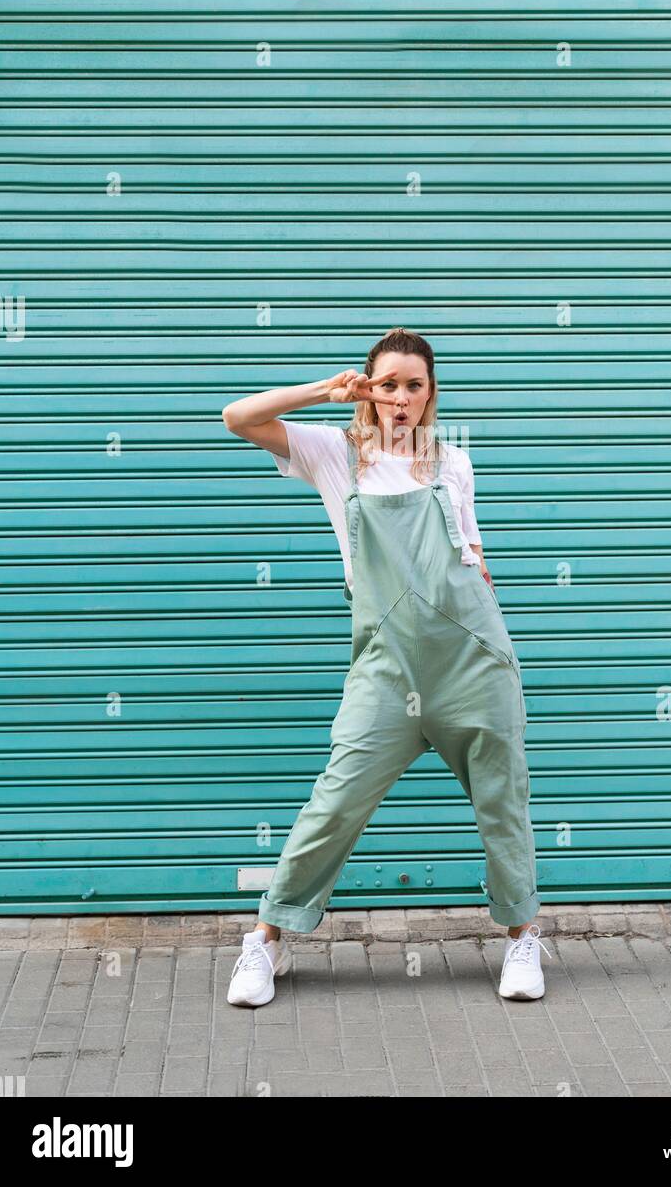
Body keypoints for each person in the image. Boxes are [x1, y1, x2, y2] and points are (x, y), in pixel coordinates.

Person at [220, 327, 550, 1006]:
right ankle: (267, 939)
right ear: (369, 390)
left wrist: (494, 633)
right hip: (387, 664)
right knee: (335, 801)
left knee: (502, 801)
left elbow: (472, 555)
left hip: (471, 659)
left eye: (413, 386)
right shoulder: (333, 454)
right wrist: (325, 390)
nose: (400, 398)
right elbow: (238, 417)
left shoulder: (453, 462)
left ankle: (522, 936)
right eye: (388, 384)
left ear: (430, 395)